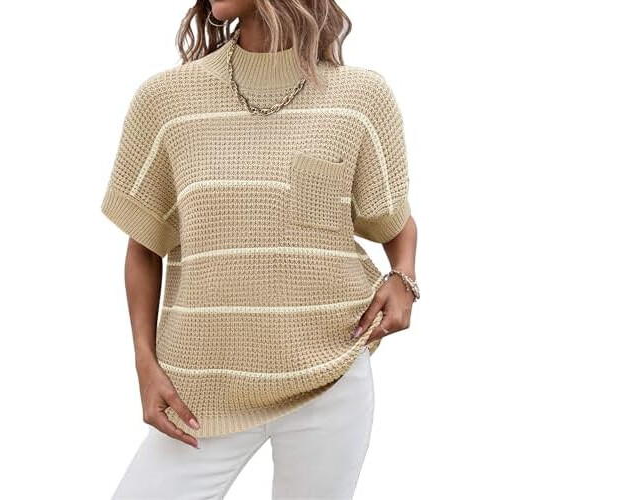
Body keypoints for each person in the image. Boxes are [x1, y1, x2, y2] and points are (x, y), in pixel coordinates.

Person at [99, 1, 419, 498]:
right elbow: (144, 244)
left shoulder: (360, 97)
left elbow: (393, 221)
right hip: (201, 389)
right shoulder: (167, 100)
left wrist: (403, 277)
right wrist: (144, 362)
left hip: (328, 376)